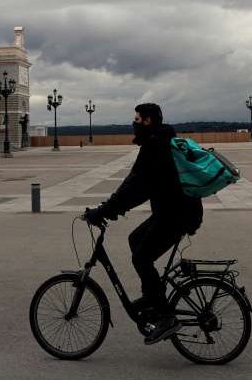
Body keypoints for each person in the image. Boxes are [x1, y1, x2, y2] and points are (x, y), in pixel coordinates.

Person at [84, 102, 203, 345]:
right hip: (174, 211)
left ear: (147, 121)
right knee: (135, 240)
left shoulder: (155, 146)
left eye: (137, 119)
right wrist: (111, 208)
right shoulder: (160, 141)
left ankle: (166, 316)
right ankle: (152, 297)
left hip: (177, 215)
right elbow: (138, 186)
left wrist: (105, 211)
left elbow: (134, 186)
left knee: (141, 257)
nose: (134, 123)